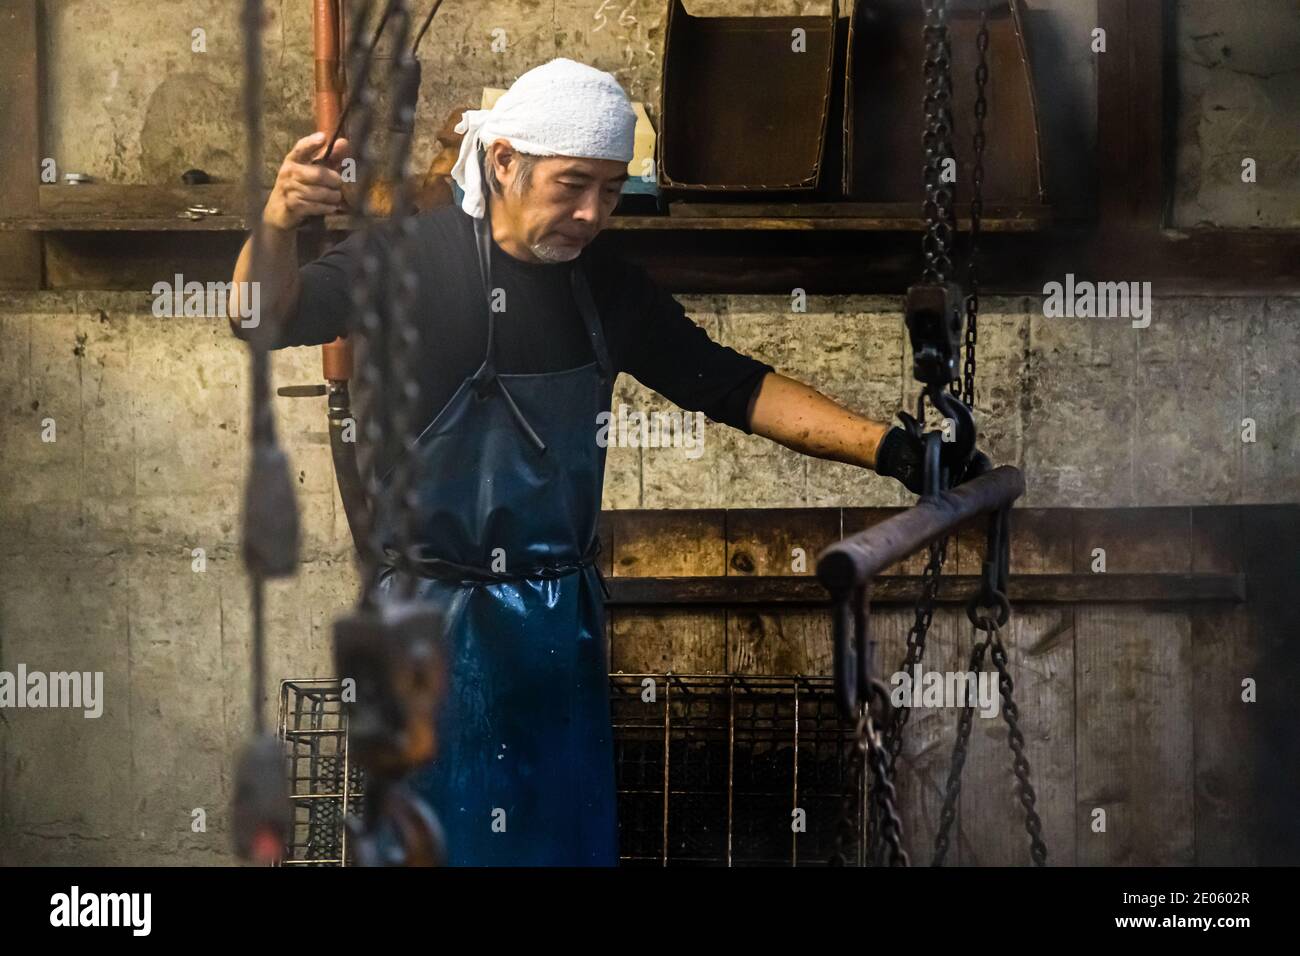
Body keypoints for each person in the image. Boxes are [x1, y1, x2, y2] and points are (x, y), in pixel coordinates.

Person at [229, 57, 941, 866]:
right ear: (503, 162)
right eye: (572, 185)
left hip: (556, 626)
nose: (592, 212)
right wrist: (280, 219)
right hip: (425, 631)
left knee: (558, 843)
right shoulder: (407, 263)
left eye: (609, 190)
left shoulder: (602, 283)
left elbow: (733, 386)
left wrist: (894, 450)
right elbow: (262, 318)